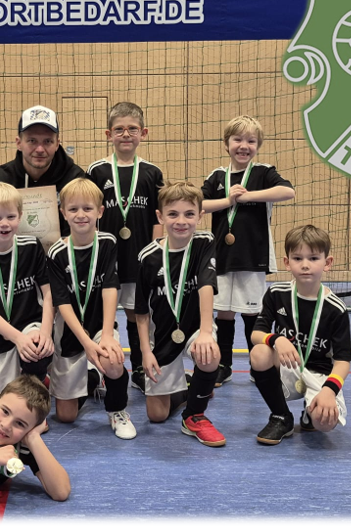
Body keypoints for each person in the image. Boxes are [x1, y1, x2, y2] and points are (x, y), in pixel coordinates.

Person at [200, 115, 295, 386]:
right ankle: (224, 365)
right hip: (221, 256)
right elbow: (199, 204)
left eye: (251, 141)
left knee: (252, 312)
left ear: (258, 145)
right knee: (224, 312)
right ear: (226, 143)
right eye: (238, 139)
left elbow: (288, 192)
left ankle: (258, 365)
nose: (244, 146)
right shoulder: (218, 176)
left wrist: (248, 196)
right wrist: (228, 200)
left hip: (253, 255)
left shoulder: (264, 172)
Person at [135, 181, 225, 447]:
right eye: (173, 214)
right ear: (160, 216)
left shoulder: (204, 242)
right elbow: (141, 312)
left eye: (189, 214)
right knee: (157, 415)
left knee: (209, 354)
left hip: (196, 327)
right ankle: (189, 390)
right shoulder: (148, 257)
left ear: (200, 215)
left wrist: (206, 332)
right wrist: (145, 352)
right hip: (162, 334)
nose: (181, 221)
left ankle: (194, 416)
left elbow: (206, 285)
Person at [86, 102, 165, 392]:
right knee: (100, 314)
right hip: (106, 260)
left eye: (132, 129)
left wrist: (155, 254)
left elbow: (158, 216)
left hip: (139, 259)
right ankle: (100, 370)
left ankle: (140, 369)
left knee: (137, 312)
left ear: (144, 133)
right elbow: (89, 212)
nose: (126, 134)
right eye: (119, 129)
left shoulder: (152, 172)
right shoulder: (97, 170)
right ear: (109, 134)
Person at [248, 225, 351, 444]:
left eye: (313, 258)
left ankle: (309, 412)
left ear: (327, 263)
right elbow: (256, 334)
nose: (305, 264)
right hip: (289, 366)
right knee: (259, 353)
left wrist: (329, 390)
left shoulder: (336, 309)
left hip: (319, 373)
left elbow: (343, 361)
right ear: (287, 263)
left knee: (325, 422)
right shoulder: (276, 294)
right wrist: (277, 339)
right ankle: (281, 416)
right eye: (297, 258)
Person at [46, 178, 133, 438]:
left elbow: (110, 288)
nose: (81, 214)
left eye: (87, 208)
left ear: (100, 211)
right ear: (63, 213)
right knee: (66, 416)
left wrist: (106, 335)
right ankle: (93, 378)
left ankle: (117, 409)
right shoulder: (56, 253)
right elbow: (62, 303)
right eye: (73, 209)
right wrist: (86, 343)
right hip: (70, 332)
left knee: (112, 360)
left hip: (100, 326)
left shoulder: (107, 243)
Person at [0, 183, 55, 393]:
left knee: (36, 350)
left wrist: (45, 333)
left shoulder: (31, 246)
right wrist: (17, 338)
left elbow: (48, 293)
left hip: (31, 324)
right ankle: (32, 379)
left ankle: (38, 376)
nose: (4, 224)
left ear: (20, 216)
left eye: (11, 216)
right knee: (5, 397)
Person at [0, 105, 88, 242]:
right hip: (15, 255)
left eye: (47, 141)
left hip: (62, 254)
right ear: (19, 143)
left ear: (57, 144)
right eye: (32, 141)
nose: (40, 149)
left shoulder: (74, 179)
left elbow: (84, 229)